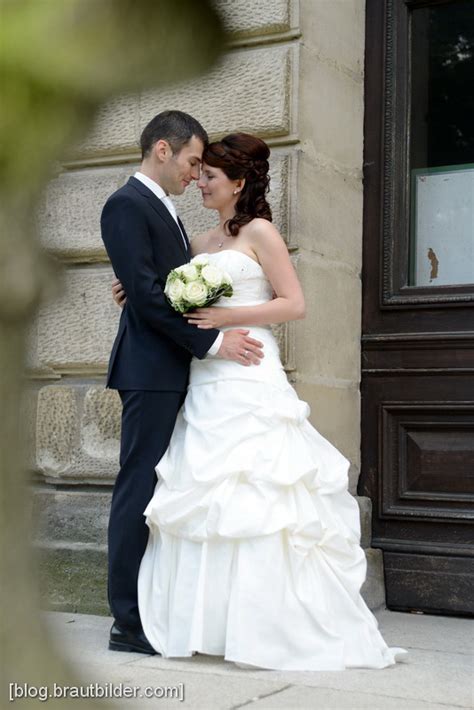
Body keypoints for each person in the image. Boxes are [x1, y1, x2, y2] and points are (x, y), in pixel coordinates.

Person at [113, 133, 408, 670]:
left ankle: (271, 625)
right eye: (198, 173)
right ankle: (210, 623)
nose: (199, 182)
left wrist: (228, 319)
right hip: (205, 376)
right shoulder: (196, 242)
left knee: (261, 491)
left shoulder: (261, 232)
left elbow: (294, 304)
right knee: (208, 493)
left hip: (248, 367)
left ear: (239, 183)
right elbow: (169, 295)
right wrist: (131, 291)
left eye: (210, 176)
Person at [100, 112, 265, 656]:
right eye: (194, 162)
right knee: (138, 489)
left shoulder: (164, 211)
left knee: (161, 489)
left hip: (173, 369)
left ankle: (158, 607)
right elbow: (149, 298)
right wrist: (214, 344)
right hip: (150, 370)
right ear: (164, 150)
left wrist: (142, 290)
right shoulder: (127, 204)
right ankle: (127, 621)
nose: (197, 175)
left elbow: (157, 287)